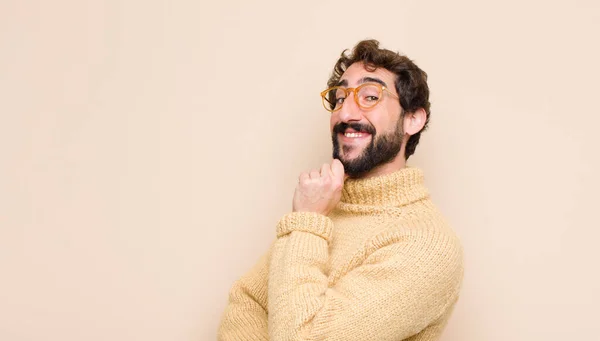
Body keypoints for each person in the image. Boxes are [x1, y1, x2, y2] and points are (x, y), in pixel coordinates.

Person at [217, 39, 464, 341]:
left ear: (413, 118)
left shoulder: (427, 246)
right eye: (339, 98)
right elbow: (248, 300)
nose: (345, 114)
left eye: (370, 96)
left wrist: (307, 221)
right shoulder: (328, 206)